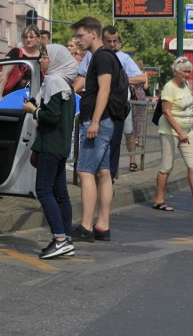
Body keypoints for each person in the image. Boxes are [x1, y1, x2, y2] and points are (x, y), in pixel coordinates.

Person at [70, 16, 125, 243]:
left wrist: (94, 121)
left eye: (80, 35)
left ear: (94, 33)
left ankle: (85, 226)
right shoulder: (105, 56)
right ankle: (102, 225)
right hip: (106, 120)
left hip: (99, 121)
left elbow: (103, 90)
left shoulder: (101, 57)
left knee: (85, 171)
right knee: (103, 173)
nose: (78, 40)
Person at [22, 44, 78, 259]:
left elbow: (51, 116)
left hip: (50, 145)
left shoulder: (53, 81)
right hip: (61, 145)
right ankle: (66, 239)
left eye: (44, 56)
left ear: (55, 60)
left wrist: (33, 110)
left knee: (44, 191)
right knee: (60, 194)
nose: (40, 60)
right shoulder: (66, 84)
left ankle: (60, 239)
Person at [74, 25, 146, 177]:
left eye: (115, 41)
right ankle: (103, 182)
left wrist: (119, 80)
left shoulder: (123, 58)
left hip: (116, 109)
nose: (112, 44)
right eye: (109, 41)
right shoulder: (91, 55)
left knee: (112, 149)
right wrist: (69, 92)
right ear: (102, 39)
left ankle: (109, 179)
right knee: (101, 161)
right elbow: (82, 77)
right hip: (98, 109)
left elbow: (142, 78)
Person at [152, 56, 193, 212]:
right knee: (167, 166)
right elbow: (167, 112)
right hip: (170, 131)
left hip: (187, 131)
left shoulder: (185, 84)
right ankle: (158, 200)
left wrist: (186, 130)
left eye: (189, 72)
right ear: (176, 71)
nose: (187, 75)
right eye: (185, 72)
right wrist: (180, 131)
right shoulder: (169, 87)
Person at [0, 24, 43, 102]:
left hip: (37, 97)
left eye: (31, 37)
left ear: (39, 38)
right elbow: (4, 74)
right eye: (25, 37)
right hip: (15, 96)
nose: (28, 40)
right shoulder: (16, 52)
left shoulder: (42, 56)